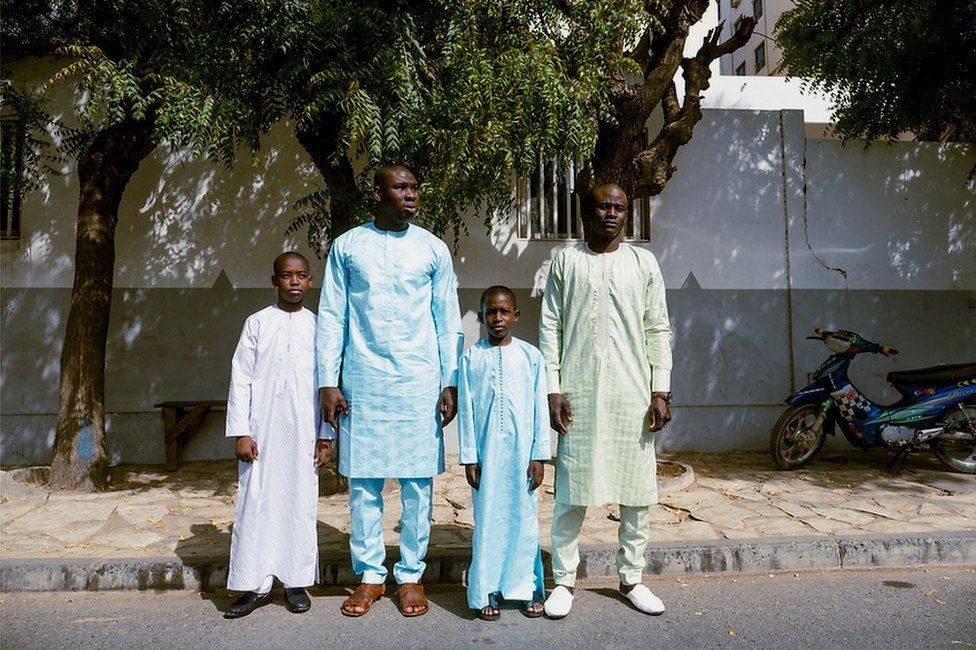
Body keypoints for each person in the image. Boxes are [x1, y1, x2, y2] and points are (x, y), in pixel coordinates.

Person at [317, 165, 464, 618]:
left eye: (415, 187)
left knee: (419, 485)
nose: (412, 195)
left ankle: (411, 576)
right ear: (377, 193)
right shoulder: (347, 246)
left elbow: (448, 319)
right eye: (401, 188)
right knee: (363, 484)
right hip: (363, 380)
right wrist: (328, 380)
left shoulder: (432, 249)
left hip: (418, 382)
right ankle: (370, 577)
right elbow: (331, 315)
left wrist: (450, 380)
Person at [539, 183, 673, 619]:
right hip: (578, 390)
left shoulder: (643, 262)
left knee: (636, 493)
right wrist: (553, 387)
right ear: (587, 212)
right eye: (604, 206)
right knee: (571, 492)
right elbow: (551, 327)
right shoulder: (566, 260)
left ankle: (631, 578)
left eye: (619, 207)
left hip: (632, 392)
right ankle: (563, 580)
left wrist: (660, 391)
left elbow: (658, 327)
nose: (612, 213)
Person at [223, 252, 334, 619]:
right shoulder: (256, 323)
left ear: (311, 280)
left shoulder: (319, 327)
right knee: (256, 502)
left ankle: (296, 580)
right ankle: (257, 585)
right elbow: (241, 377)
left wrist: (325, 436)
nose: (294, 282)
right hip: (262, 430)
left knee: (299, 502)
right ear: (274, 281)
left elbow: (326, 385)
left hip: (304, 430)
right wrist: (241, 431)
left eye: (301, 275)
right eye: (287, 276)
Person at [457, 286, 550, 620]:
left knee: (524, 520)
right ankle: (486, 590)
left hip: (523, 455)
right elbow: (465, 411)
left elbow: (541, 407)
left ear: (516, 315)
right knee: (488, 521)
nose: (498, 319)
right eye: (491, 313)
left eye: (504, 312)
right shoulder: (470, 357)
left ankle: (525, 589)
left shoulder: (531, 356)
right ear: (482, 317)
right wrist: (469, 456)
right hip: (486, 456)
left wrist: (539, 455)